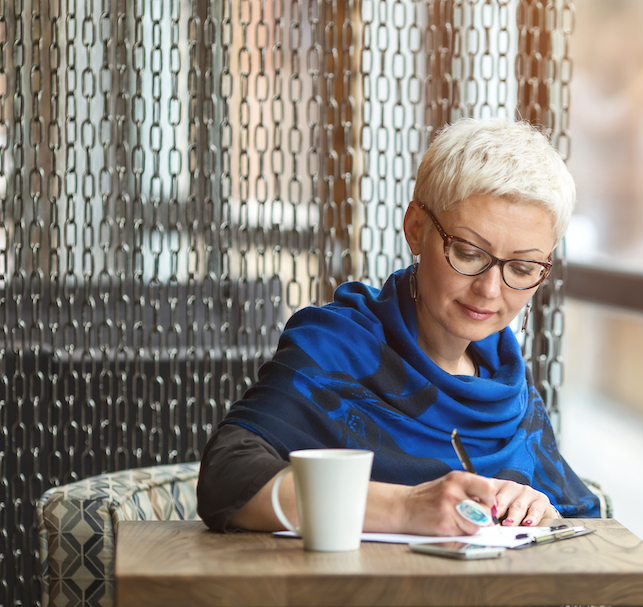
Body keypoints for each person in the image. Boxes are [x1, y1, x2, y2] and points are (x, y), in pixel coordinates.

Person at [197, 116, 600, 536]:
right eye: (467, 252)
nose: (489, 289)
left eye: (521, 267)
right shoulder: (337, 348)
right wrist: (406, 507)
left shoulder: (508, 384)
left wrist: (541, 514)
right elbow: (227, 477)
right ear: (415, 229)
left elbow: (582, 521)